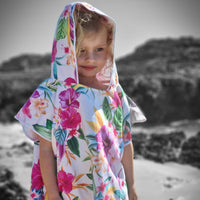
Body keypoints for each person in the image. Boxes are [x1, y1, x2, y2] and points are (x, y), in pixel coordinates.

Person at [15, 2, 146, 200]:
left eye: (99, 49)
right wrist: (51, 191)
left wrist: (132, 185)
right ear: (66, 49)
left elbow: (125, 143)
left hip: (111, 190)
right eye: (81, 50)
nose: (90, 59)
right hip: (69, 192)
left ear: (110, 48)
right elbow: (45, 149)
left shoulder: (115, 94)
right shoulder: (52, 92)